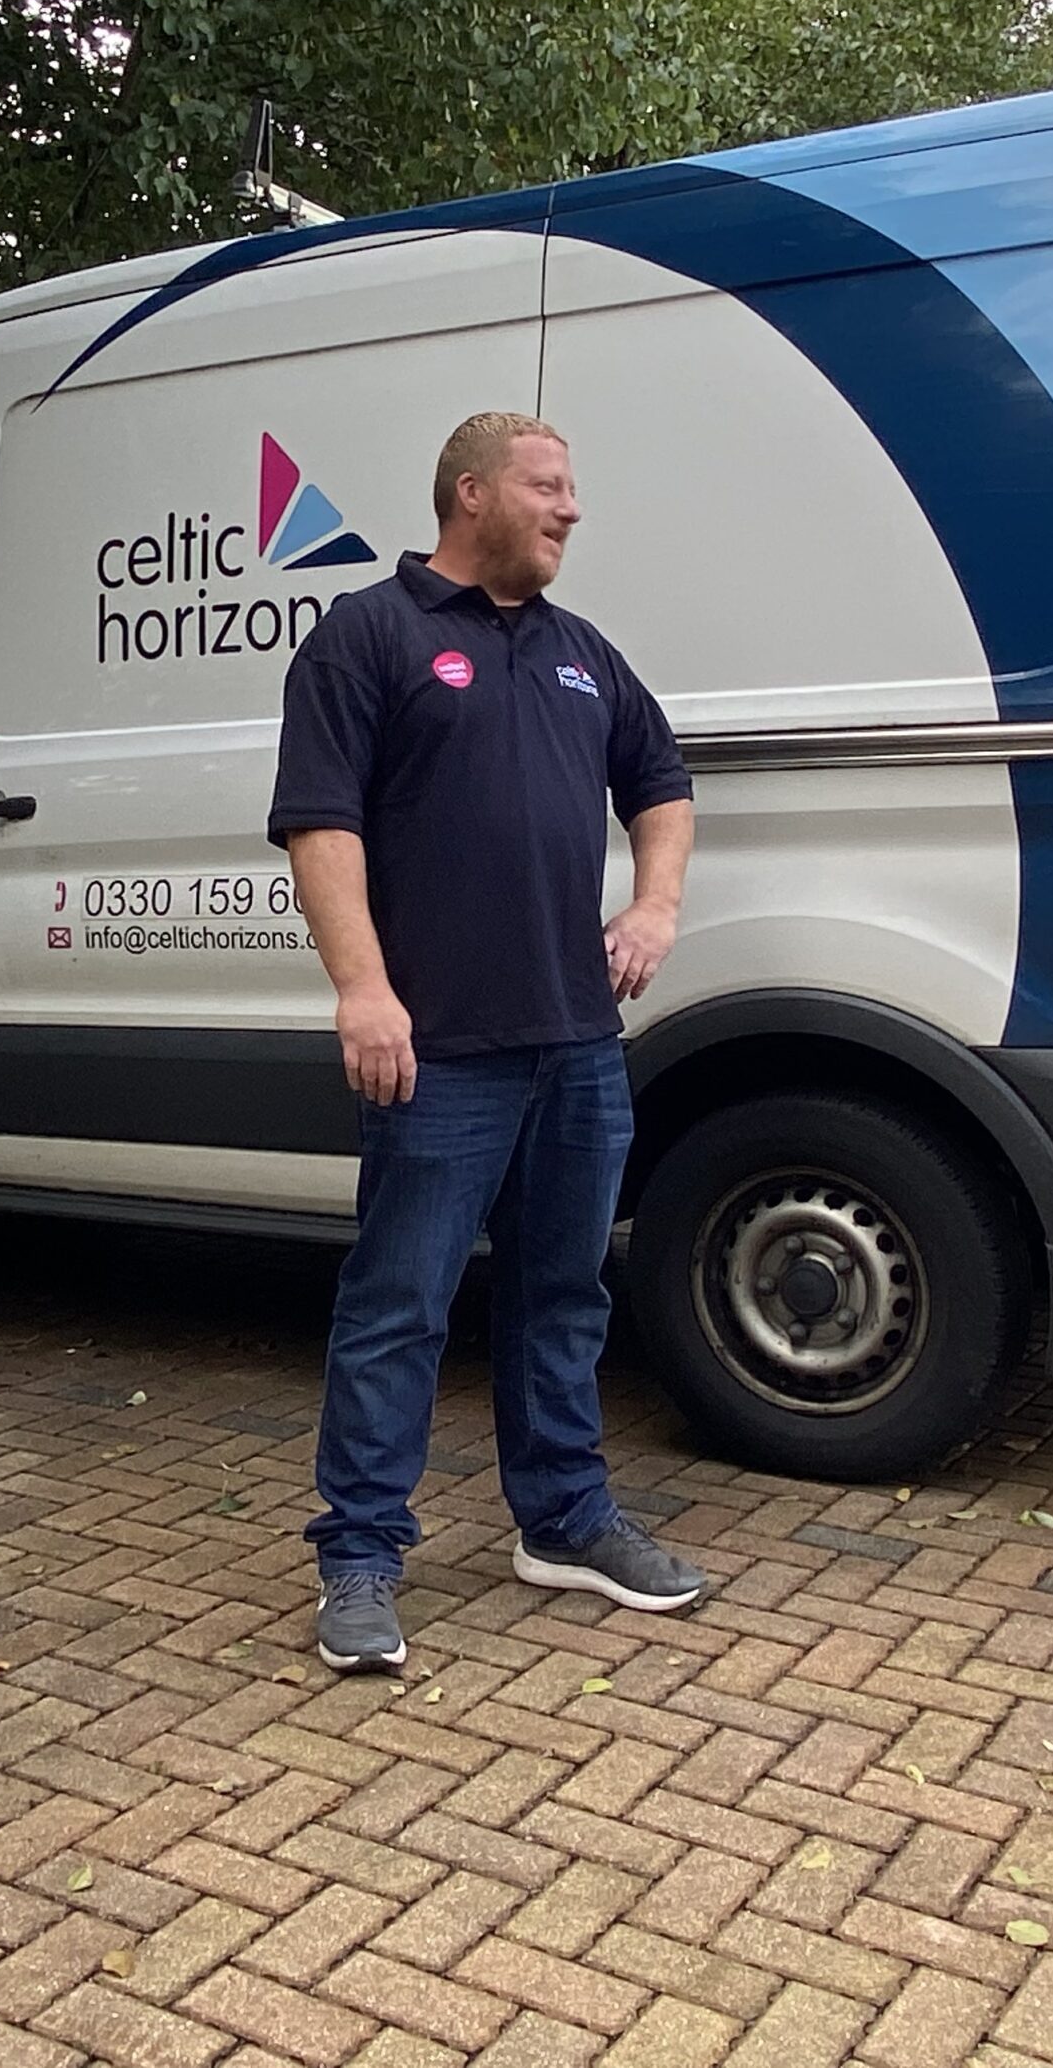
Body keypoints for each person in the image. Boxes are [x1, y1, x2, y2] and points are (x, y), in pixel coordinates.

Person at [268, 410, 706, 1673]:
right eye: (547, 486)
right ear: (471, 494)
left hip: (576, 1038)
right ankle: (358, 1556)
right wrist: (365, 989)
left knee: (562, 1294)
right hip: (438, 1045)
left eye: (573, 488)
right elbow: (321, 828)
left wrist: (656, 902)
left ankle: (563, 1520)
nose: (572, 509)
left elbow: (662, 782)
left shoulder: (583, 656)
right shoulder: (367, 637)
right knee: (398, 1303)